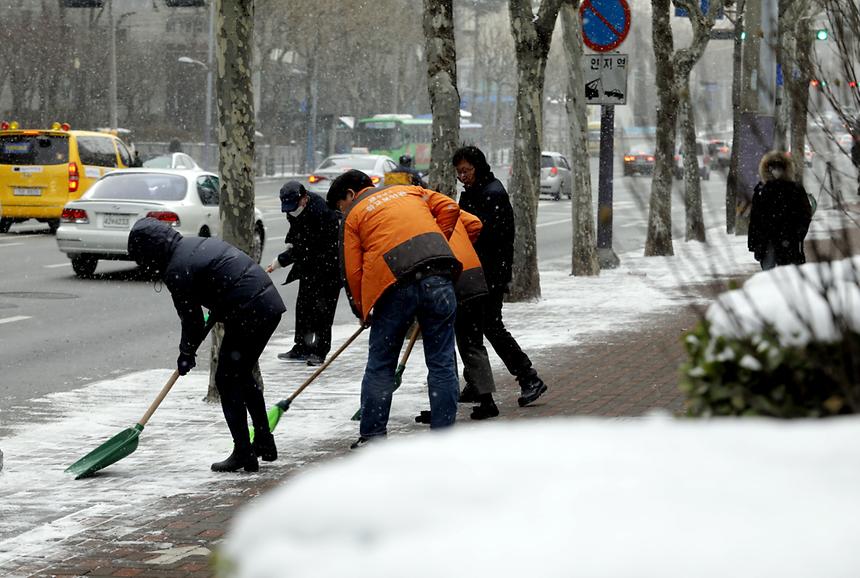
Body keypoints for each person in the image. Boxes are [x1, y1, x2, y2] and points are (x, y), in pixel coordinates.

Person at [128, 218, 286, 473]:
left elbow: (190, 319)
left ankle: (244, 453)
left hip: (249, 311)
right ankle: (264, 443)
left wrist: (186, 353)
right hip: (266, 305)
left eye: (143, 258)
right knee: (242, 374)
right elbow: (214, 294)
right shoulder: (193, 245)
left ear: (151, 252)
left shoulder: (177, 269)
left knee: (226, 379)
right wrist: (190, 345)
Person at [327, 169, 462, 449]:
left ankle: (373, 436)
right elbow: (450, 206)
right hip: (439, 273)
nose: (343, 214)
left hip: (395, 284)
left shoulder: (355, 214)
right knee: (442, 360)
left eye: (341, 208)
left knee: (381, 364)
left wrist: (362, 311)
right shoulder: (412, 191)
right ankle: (445, 434)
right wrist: (435, 242)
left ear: (350, 195)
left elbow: (352, 271)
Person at [452, 145, 548, 407]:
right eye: (459, 172)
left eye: (466, 171)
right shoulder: (474, 192)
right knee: (472, 327)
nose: (462, 176)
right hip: (477, 272)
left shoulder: (491, 193)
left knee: (490, 327)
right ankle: (475, 381)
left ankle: (529, 377)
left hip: (489, 273)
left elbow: (490, 237)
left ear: (478, 167)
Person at [266, 181, 341, 366]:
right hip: (309, 265)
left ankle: (319, 351)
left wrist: (280, 261)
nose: (291, 211)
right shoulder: (292, 210)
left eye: (294, 206)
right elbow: (297, 234)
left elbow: (308, 246)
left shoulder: (322, 213)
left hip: (329, 266)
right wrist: (290, 244)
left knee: (323, 311)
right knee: (304, 307)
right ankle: (301, 347)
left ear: (304, 199)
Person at [748, 150, 813, 271]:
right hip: (768, 243)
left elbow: (804, 215)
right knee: (771, 279)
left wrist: (798, 234)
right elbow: (755, 219)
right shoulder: (761, 191)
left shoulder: (795, 189)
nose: (776, 171)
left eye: (779, 167)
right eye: (773, 167)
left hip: (788, 242)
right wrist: (755, 244)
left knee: (790, 276)